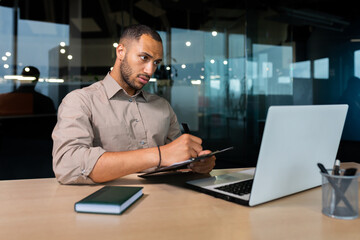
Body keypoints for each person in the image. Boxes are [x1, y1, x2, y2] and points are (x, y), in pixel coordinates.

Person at [52, 24, 216, 184]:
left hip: (163, 201)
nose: (150, 70)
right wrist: (158, 155)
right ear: (121, 52)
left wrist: (196, 164)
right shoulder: (80, 101)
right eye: (144, 58)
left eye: (156, 62)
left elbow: (178, 160)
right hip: (106, 203)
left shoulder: (163, 106)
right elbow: (67, 165)